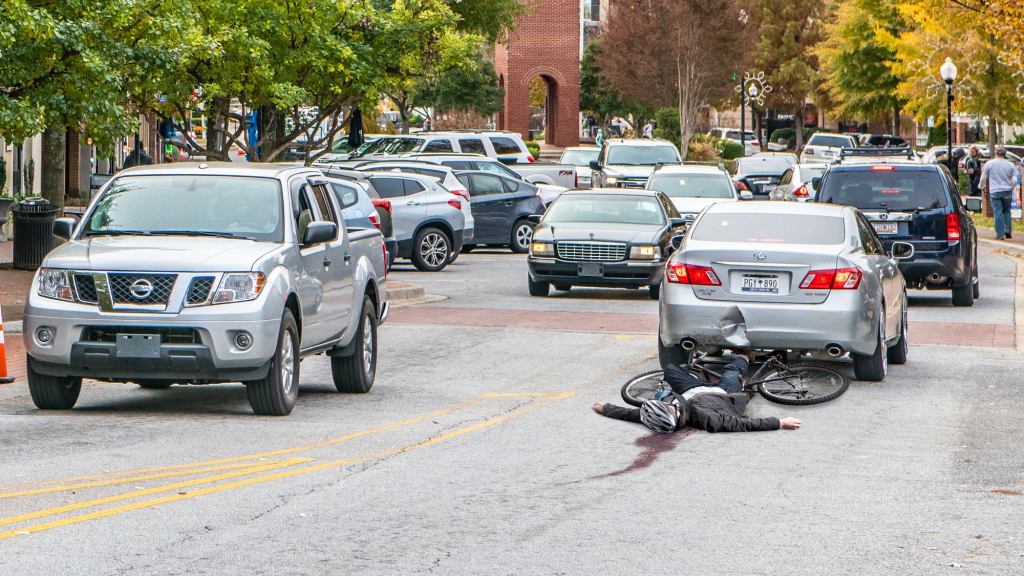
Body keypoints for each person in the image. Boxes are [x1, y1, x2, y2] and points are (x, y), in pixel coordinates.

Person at [592, 352, 802, 433]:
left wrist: (605, 409)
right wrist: (780, 423)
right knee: (732, 370)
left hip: (691, 389)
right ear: (672, 413)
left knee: (671, 371)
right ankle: (745, 355)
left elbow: (632, 414)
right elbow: (744, 424)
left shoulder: (659, 414)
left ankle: (703, 360)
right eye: (666, 406)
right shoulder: (707, 419)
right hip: (724, 392)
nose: (666, 403)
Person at [980, 146, 1017, 240]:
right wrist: (1011, 189)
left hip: (995, 191)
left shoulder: (990, 163)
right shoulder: (1010, 164)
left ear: (996, 153)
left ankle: (1000, 234)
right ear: (1005, 154)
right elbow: (1015, 180)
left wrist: (981, 186)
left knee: (998, 212)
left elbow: (984, 177)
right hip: (1007, 191)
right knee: (1007, 211)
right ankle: (1008, 231)